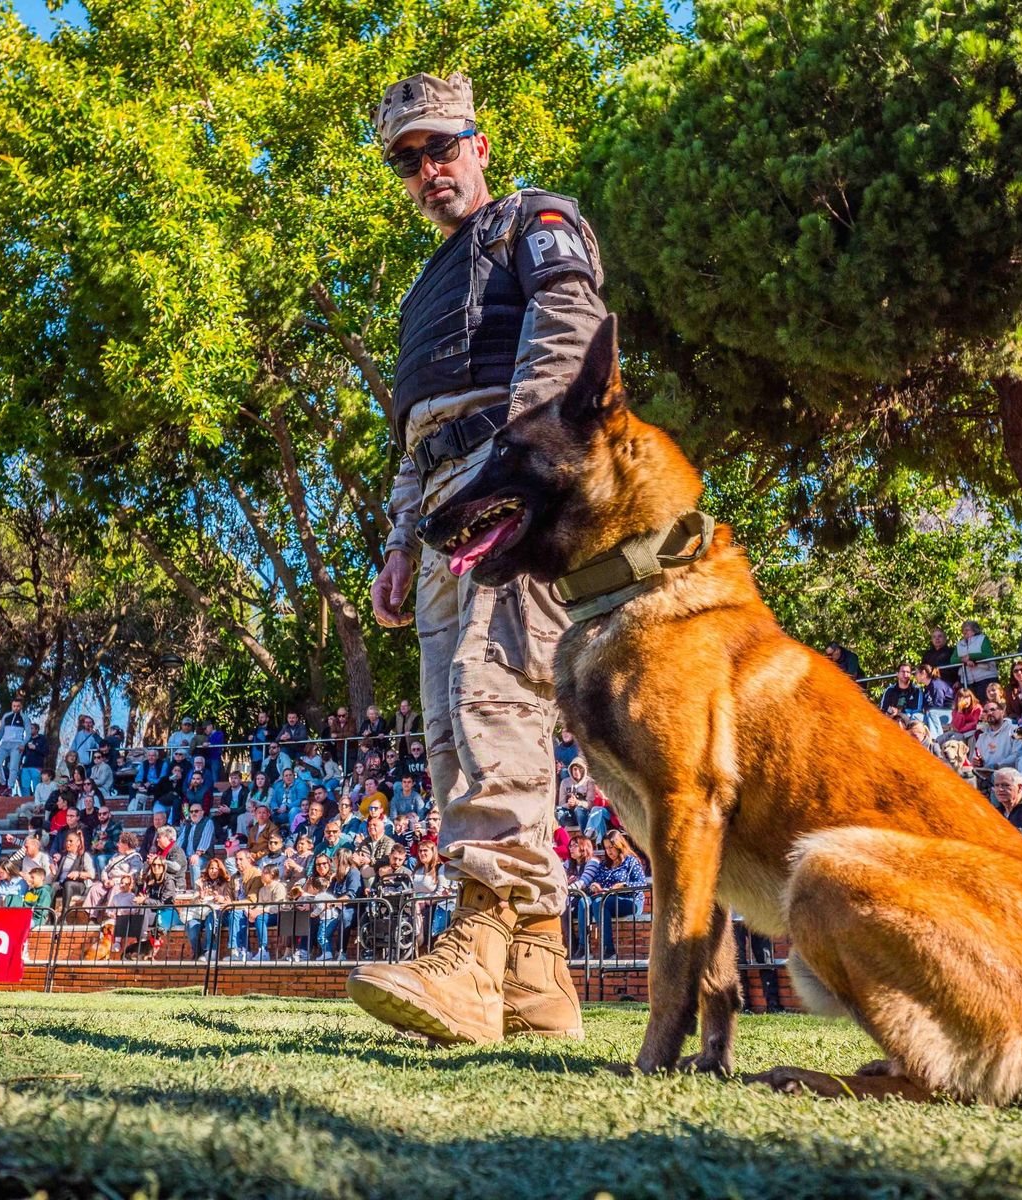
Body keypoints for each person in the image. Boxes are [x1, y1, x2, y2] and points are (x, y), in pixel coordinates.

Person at [348, 70, 600, 1042]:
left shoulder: (535, 219)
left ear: (478, 144)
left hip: (515, 491)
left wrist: (523, 466)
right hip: (443, 508)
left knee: (496, 703)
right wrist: (398, 542)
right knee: (457, 728)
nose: (426, 171)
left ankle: (476, 943)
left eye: (440, 147)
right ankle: (536, 983)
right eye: (406, 160)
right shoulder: (422, 289)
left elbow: (570, 330)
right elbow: (416, 430)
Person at [581, 830, 647, 961]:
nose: (609, 851)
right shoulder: (604, 864)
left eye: (611, 847)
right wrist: (594, 886)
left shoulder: (631, 861)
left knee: (599, 902)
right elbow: (595, 882)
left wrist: (624, 886)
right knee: (584, 902)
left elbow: (642, 883)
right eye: (606, 848)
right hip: (606, 899)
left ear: (619, 845)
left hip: (630, 900)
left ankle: (609, 950)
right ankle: (584, 947)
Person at [949, 620, 998, 700]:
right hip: (968, 680)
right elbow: (953, 660)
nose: (964, 631)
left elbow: (988, 655)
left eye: (967, 629)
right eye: (963, 630)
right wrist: (964, 660)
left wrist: (971, 657)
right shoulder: (959, 644)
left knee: (988, 703)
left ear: (975, 630)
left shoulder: (982, 639)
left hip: (985, 677)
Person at [972, 699, 1021, 773]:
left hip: (1008, 775)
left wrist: (997, 766)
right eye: (985, 711)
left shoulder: (1014, 730)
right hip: (985, 775)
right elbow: (975, 756)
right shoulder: (982, 736)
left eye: (992, 710)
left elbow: (1017, 755)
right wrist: (975, 761)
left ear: (1002, 712)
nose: (989, 713)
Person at [0, 698, 30, 791]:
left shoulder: (24, 718)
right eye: (14, 706)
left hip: (16, 744)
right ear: (11, 706)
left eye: (18, 706)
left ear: (21, 707)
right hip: (4, 744)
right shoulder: (6, 716)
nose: (16, 708)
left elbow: (28, 733)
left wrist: (23, 744)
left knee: (13, 767)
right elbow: (1, 731)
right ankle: (3, 783)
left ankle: (10, 786)